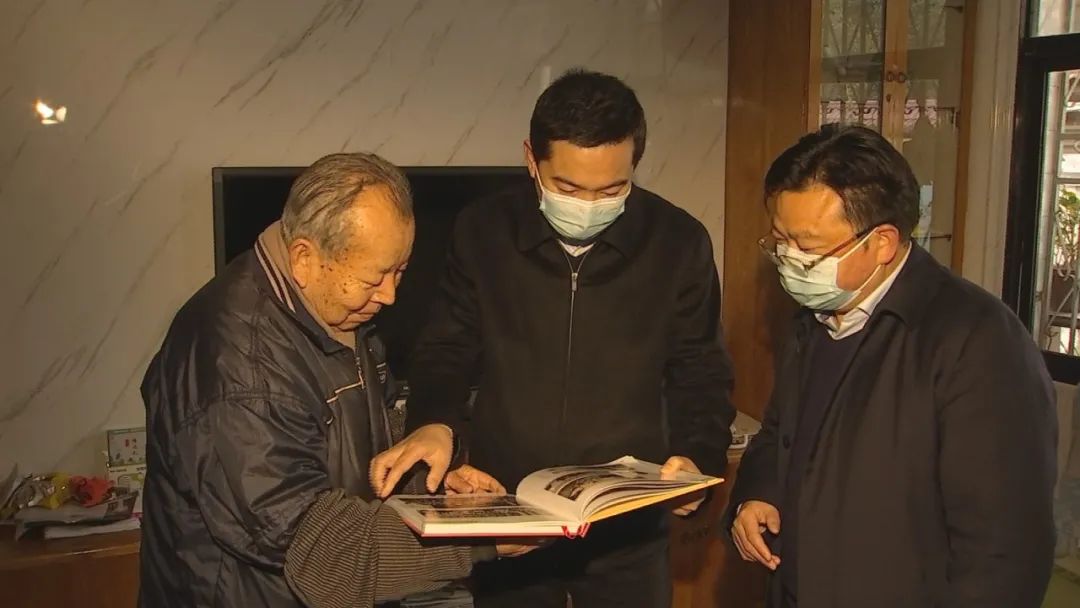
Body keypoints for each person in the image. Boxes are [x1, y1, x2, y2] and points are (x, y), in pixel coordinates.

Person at [370, 68, 736, 608]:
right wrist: (434, 422)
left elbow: (701, 370)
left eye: (611, 190)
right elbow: (446, 349)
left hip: (627, 528)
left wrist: (696, 455)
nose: (588, 204)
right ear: (531, 159)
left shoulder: (677, 242)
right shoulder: (483, 230)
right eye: (567, 187)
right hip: (508, 512)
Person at [139, 153, 532, 608]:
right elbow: (324, 553)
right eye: (373, 279)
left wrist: (435, 481)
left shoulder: (328, 308)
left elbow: (351, 447)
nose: (390, 295)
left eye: (399, 271)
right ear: (304, 257)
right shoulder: (241, 368)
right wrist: (477, 539)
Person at [726, 124, 1057, 607]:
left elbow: (1005, 548)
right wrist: (758, 492)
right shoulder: (815, 316)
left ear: (882, 242)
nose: (790, 261)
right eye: (780, 241)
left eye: (809, 248)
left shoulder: (977, 341)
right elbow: (780, 434)